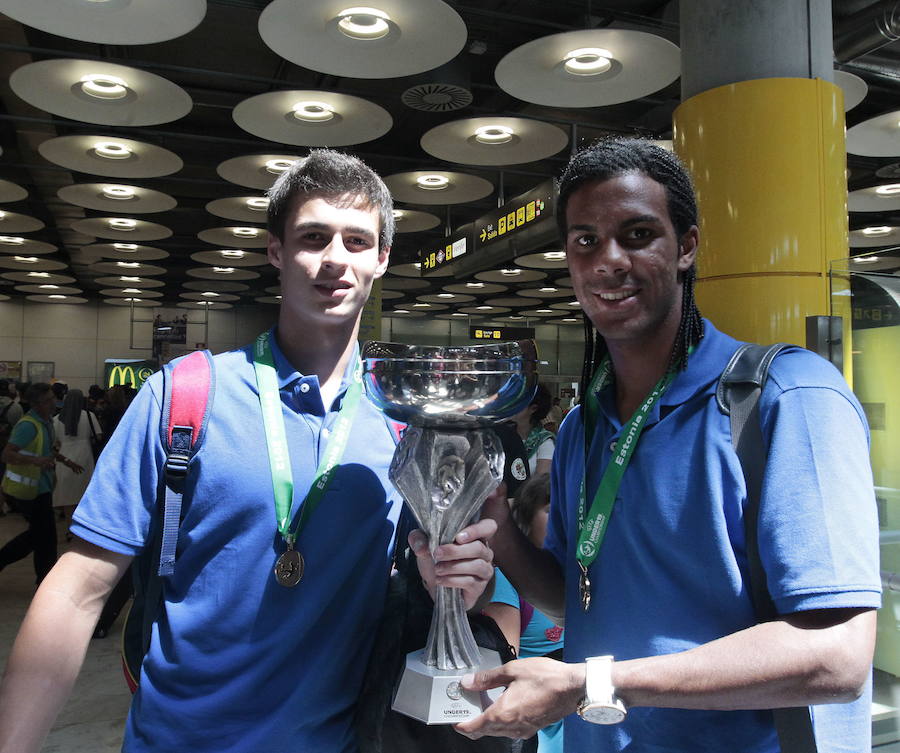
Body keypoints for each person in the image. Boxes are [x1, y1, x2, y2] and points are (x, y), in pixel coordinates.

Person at [0, 150, 497, 753]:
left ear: (382, 259)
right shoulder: (184, 395)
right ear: (276, 252)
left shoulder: (402, 423)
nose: (335, 259)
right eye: (313, 237)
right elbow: (79, 587)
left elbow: (419, 582)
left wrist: (446, 583)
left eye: (357, 242)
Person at [457, 138, 881, 752]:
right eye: (585, 241)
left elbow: (835, 656)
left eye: (636, 234)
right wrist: (495, 523)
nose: (608, 260)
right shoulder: (585, 426)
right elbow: (576, 598)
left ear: (686, 246)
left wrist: (591, 683)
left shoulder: (787, 398)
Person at [484, 473, 563, 753]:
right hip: (536, 723)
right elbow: (503, 670)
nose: (563, 520)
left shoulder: (584, 575)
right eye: (552, 509)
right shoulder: (508, 583)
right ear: (525, 522)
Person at [0, 383, 83, 584]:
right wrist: (36, 461)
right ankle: (45, 579)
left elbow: (48, 450)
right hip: (27, 490)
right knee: (44, 537)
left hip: (41, 486)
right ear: (38, 404)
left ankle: (44, 578)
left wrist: (66, 461)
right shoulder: (28, 425)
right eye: (49, 400)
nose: (53, 403)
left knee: (41, 536)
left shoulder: (45, 423)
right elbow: (7, 454)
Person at [52, 389, 101, 524]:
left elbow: (53, 442)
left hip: (64, 458)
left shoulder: (56, 420)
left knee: (68, 494)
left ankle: (69, 526)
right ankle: (82, 526)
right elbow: (98, 435)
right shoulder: (89, 416)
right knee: (83, 492)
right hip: (85, 456)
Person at [510, 383, 554, 476]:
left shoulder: (545, 442)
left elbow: (539, 484)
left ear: (533, 408)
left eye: (517, 402)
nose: (510, 406)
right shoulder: (502, 436)